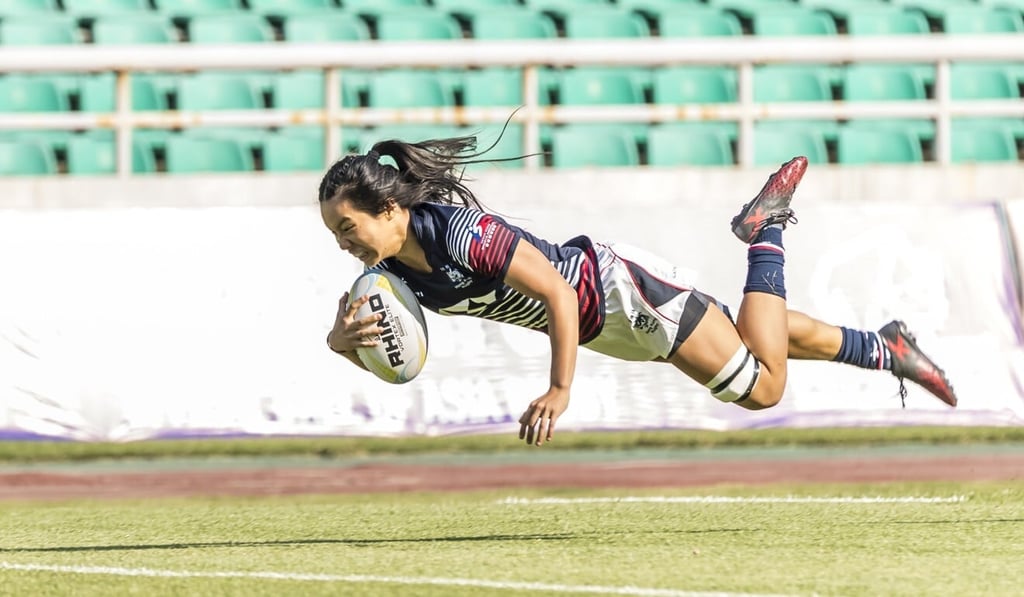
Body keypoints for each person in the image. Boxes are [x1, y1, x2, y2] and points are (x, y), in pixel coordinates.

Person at [318, 134, 957, 446]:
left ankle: (767, 228)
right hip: (609, 326)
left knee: (762, 388)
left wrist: (560, 389)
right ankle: (887, 349)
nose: (345, 244)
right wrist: (340, 343)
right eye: (335, 234)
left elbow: (558, 293)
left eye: (348, 228)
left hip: (616, 293)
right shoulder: (392, 274)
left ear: (389, 210)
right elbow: (397, 362)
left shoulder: (460, 234)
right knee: (750, 339)